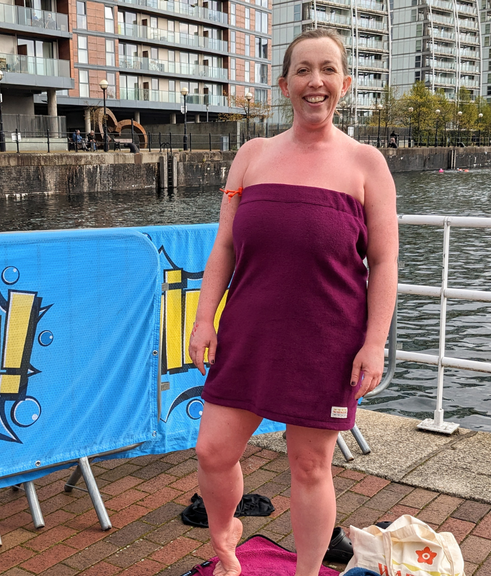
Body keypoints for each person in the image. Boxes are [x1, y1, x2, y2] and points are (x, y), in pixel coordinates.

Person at [187, 28, 398, 576]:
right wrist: (203, 319)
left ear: (345, 84)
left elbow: (385, 265)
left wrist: (374, 344)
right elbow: (225, 248)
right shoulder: (252, 156)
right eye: (303, 70)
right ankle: (226, 543)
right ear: (284, 84)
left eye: (328, 70)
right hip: (249, 334)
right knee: (213, 451)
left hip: (328, 341)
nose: (316, 82)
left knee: (309, 466)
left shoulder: (367, 164)